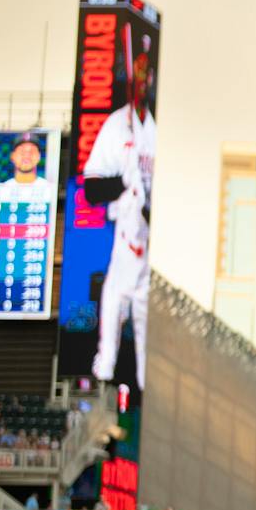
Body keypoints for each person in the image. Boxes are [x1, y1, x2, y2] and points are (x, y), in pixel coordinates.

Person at [81, 34, 155, 391]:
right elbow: (92, 187)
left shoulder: (159, 131)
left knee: (145, 329)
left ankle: (141, 385)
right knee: (112, 298)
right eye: (136, 75)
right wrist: (123, 183)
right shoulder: (116, 125)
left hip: (155, 247)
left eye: (146, 75)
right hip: (125, 233)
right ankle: (105, 366)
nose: (141, 82)